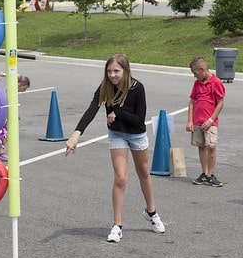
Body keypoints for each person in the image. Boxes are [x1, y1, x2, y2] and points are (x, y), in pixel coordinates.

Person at [65, 53, 165, 243]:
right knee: (120, 178)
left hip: (136, 134)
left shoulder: (137, 88)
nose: (112, 75)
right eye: (109, 71)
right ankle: (117, 225)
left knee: (144, 172)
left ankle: (151, 212)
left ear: (126, 71)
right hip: (117, 135)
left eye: (116, 71)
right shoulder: (105, 87)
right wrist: (76, 134)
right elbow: (93, 108)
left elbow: (138, 120)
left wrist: (116, 112)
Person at [187, 57, 226, 187]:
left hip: (210, 122)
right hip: (198, 120)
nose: (194, 76)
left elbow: (220, 103)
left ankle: (211, 174)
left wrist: (211, 119)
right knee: (201, 146)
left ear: (202, 69)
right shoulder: (197, 84)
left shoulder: (216, 82)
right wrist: (190, 120)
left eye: (195, 73)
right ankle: (204, 173)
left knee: (211, 146)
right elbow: (192, 101)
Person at [0, 73, 30, 161]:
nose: (23, 91)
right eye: (23, 88)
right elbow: (16, 75)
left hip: (5, 115)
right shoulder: (11, 88)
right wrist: (3, 74)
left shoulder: (14, 91)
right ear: (19, 84)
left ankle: (0, 151)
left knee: (5, 134)